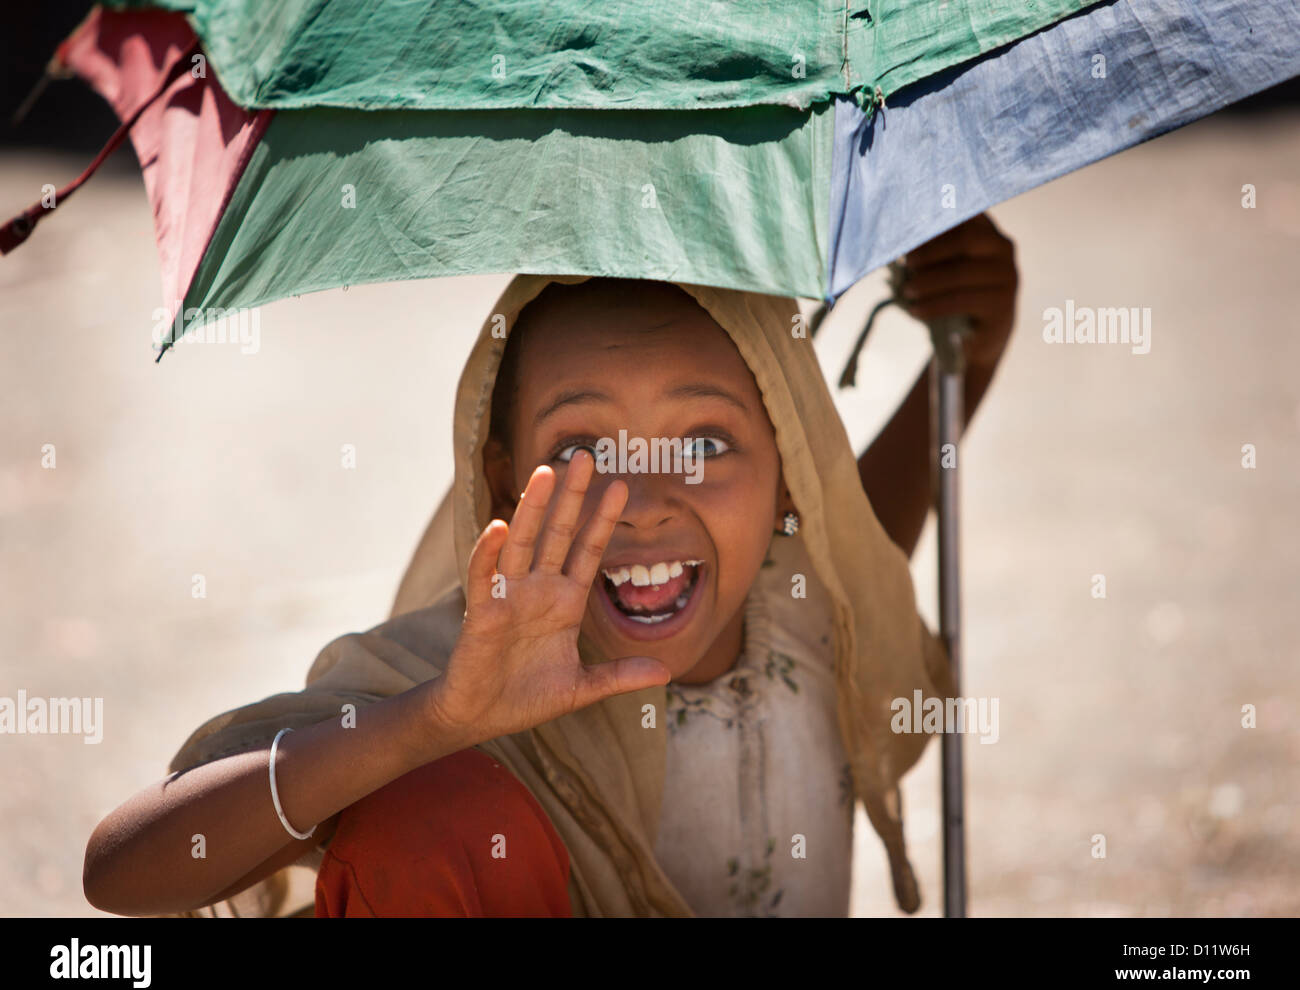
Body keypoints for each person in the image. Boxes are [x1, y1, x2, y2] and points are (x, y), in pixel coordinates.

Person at [82, 214, 1016, 918]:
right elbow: (122, 872)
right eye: (582, 451)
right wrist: (435, 722)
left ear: (790, 477)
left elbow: (868, 544)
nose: (644, 500)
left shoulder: (818, 613)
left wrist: (970, 358)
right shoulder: (457, 674)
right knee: (431, 817)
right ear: (499, 481)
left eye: (703, 441)